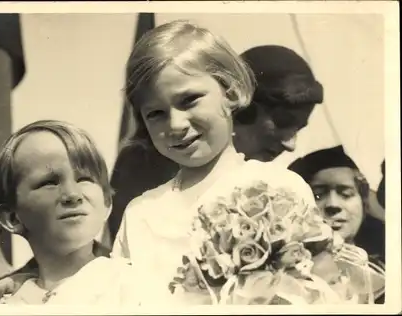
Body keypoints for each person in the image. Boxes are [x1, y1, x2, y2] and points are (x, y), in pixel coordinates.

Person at [111, 20, 324, 302]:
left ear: (232, 93)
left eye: (189, 100)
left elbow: (311, 292)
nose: (175, 124)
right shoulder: (140, 214)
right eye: (156, 113)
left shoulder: (279, 189)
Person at [107, 44, 324, 243]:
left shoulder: (281, 188)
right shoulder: (145, 165)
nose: (290, 144)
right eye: (283, 122)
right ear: (243, 104)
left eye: (298, 128)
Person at [0, 120, 172, 305]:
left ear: (106, 201)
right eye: (50, 182)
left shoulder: (132, 287)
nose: (73, 195)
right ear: (12, 217)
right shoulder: (10, 302)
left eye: (84, 179)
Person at [288, 146, 385, 265]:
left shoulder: (386, 267)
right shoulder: (286, 272)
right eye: (317, 195)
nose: (333, 204)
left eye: (346, 194)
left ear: (363, 203)